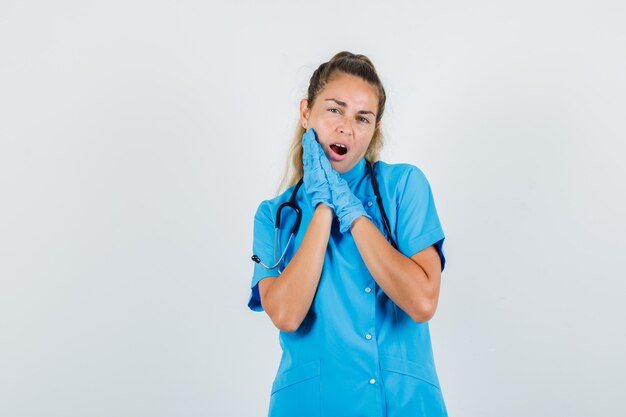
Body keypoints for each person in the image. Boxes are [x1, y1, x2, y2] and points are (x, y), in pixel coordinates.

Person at [248, 51, 448, 417]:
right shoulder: (275, 214)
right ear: (306, 112)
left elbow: (422, 302)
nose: (346, 127)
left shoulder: (403, 187)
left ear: (374, 129)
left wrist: (350, 209)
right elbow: (287, 315)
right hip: (311, 406)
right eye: (334, 110)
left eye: (362, 118)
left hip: (402, 403)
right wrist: (323, 206)